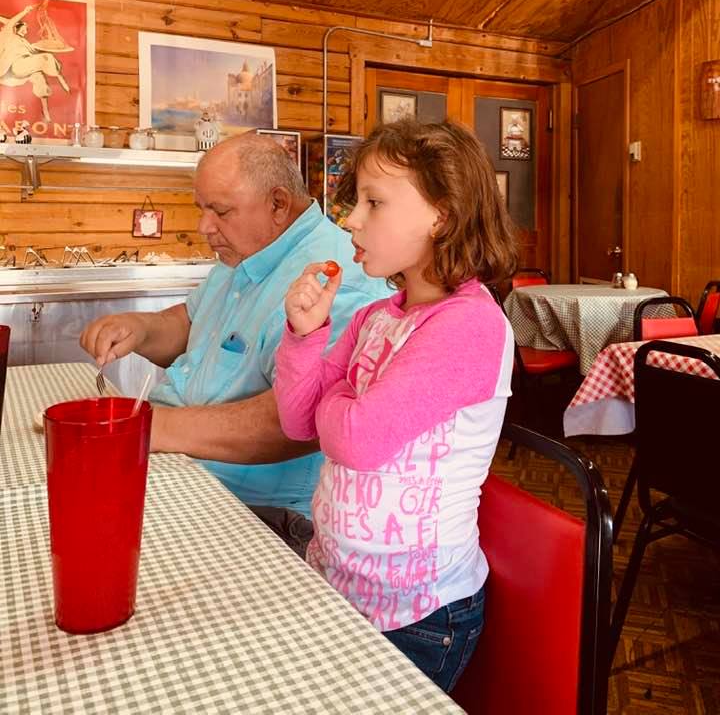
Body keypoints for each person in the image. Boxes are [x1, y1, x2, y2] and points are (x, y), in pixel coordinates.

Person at [273, 119, 518, 691]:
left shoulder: (469, 325)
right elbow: (296, 420)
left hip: (418, 614)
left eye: (374, 202)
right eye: (356, 200)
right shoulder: (376, 317)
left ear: (443, 214)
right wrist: (306, 334)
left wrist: (339, 400)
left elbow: (354, 441)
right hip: (336, 580)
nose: (351, 219)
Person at [80, 133, 389, 546]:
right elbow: (193, 324)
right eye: (202, 209)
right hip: (180, 470)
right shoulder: (243, 247)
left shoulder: (334, 279)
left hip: (256, 512)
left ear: (278, 204)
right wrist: (140, 328)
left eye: (220, 211)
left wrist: (151, 429)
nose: (204, 226)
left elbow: (297, 421)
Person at [0, 4, 70, 122]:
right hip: (14, 67)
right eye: (24, 28)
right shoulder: (8, 36)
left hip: (24, 67)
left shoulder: (25, 42)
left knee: (39, 78)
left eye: (26, 28)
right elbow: (11, 22)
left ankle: (46, 113)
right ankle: (63, 83)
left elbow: (34, 52)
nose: (26, 30)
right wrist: (25, 11)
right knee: (46, 57)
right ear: (17, 28)